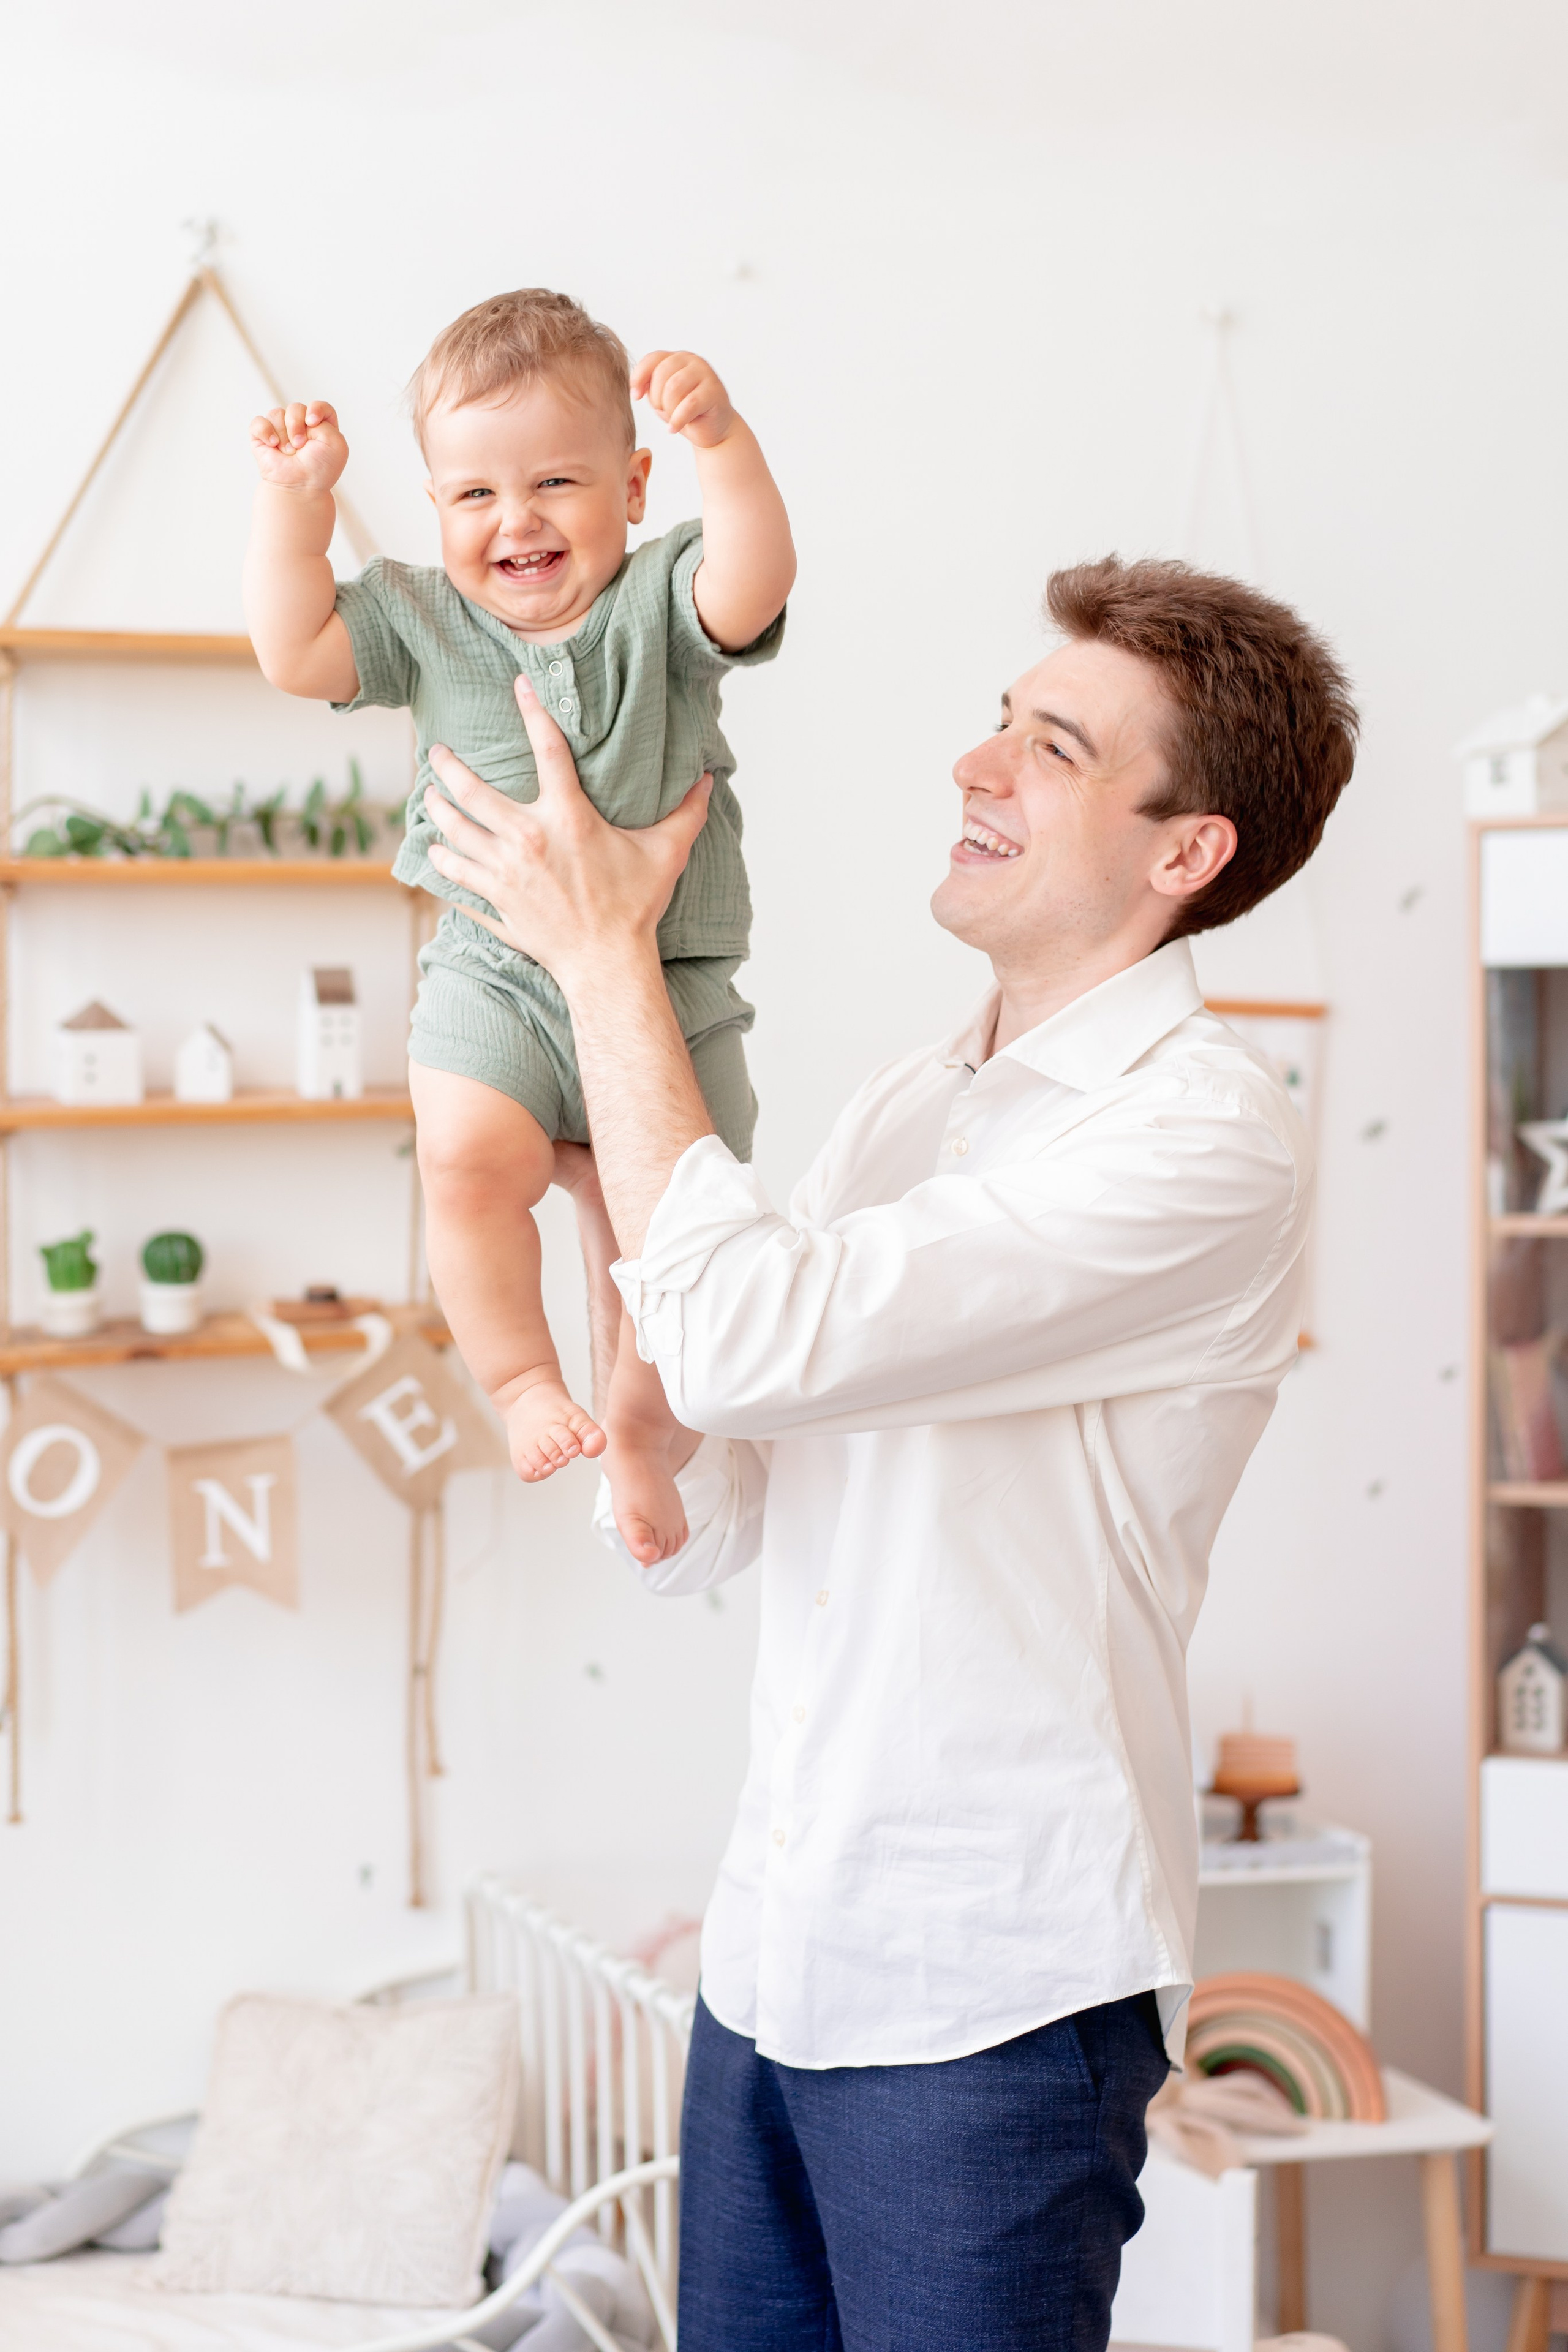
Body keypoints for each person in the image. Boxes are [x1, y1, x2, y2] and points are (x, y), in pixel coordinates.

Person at [415, 556, 1357, 2349]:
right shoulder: (911, 1104)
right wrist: (646, 1431)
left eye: (1053, 746)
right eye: (1001, 721)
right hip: (780, 1953)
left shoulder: (1203, 1142)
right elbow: (737, 1487)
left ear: (1187, 855)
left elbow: (757, 1332)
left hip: (991, 1989)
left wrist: (606, 949)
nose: (975, 766)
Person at [241, 287, 794, 1566]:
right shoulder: (415, 619)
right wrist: (296, 508)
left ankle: (646, 1432)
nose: (517, 519)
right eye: (474, 495)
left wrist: (728, 442)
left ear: (633, 485)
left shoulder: (662, 600)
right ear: (435, 507)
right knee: (463, 1166)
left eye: (556, 481)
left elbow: (754, 574)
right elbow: (291, 649)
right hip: (491, 971)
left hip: (675, 987)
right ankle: (520, 1383)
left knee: (676, 1241)